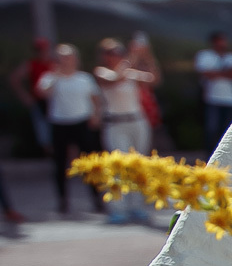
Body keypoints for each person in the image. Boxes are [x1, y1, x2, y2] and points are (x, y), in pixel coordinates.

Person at [35, 44, 104, 214]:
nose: (65, 60)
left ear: (75, 59)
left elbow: (95, 99)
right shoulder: (50, 78)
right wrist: (55, 76)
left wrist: (96, 116)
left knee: (89, 162)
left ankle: (96, 198)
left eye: (68, 57)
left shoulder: (84, 79)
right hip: (59, 123)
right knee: (59, 163)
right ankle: (62, 200)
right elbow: (41, 93)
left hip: (81, 122)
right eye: (61, 57)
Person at [96, 38, 157, 224]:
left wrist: (147, 56)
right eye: (112, 52)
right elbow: (114, 79)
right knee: (118, 166)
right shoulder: (101, 72)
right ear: (105, 55)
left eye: (119, 52)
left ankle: (137, 207)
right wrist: (132, 57)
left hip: (137, 121)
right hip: (115, 124)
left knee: (138, 165)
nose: (116, 56)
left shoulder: (130, 72)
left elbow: (153, 78)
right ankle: (118, 208)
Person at [195, 31, 232, 149]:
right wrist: (227, 72)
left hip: (231, 99)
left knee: (228, 131)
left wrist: (217, 73)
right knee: (212, 129)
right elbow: (205, 73)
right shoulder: (205, 56)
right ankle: (210, 154)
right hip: (212, 98)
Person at [8, 37, 56, 152]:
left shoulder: (55, 64)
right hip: (39, 102)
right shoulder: (31, 64)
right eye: (39, 49)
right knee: (44, 132)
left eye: (44, 49)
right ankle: (50, 158)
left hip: (55, 102)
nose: (42, 52)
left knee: (59, 131)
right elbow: (14, 79)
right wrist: (25, 97)